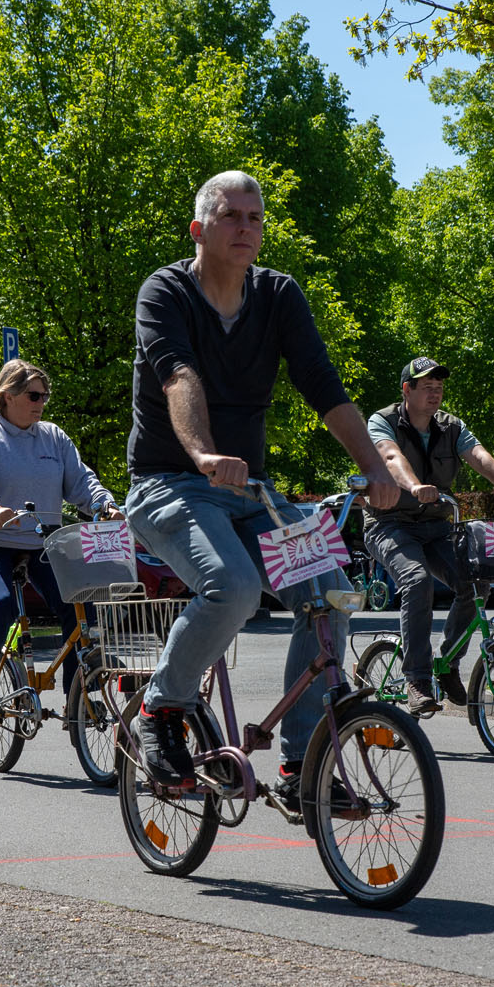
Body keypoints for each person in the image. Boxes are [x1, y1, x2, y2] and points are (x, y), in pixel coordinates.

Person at [123, 170, 400, 792]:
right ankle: (160, 709)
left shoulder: (278, 295)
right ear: (200, 228)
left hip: (252, 494)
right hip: (169, 483)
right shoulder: (164, 291)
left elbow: (322, 385)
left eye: (255, 217)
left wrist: (378, 469)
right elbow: (178, 376)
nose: (245, 226)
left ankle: (306, 760)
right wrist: (200, 453)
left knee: (331, 592)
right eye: (231, 215)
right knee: (233, 587)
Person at [364, 356, 494, 716]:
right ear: (406, 390)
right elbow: (391, 457)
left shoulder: (451, 426)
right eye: (427, 387)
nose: (435, 394)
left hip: (437, 525)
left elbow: (478, 455)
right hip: (389, 524)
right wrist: (415, 487)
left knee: (476, 583)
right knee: (416, 580)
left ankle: (449, 665)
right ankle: (416, 678)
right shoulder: (382, 421)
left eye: (439, 388)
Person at [0, 360, 123, 714]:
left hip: (40, 543)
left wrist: (105, 504)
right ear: (7, 396)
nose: (41, 402)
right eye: (34, 394)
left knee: (81, 606)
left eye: (45, 395)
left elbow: (81, 482)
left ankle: (79, 697)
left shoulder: (53, 436)